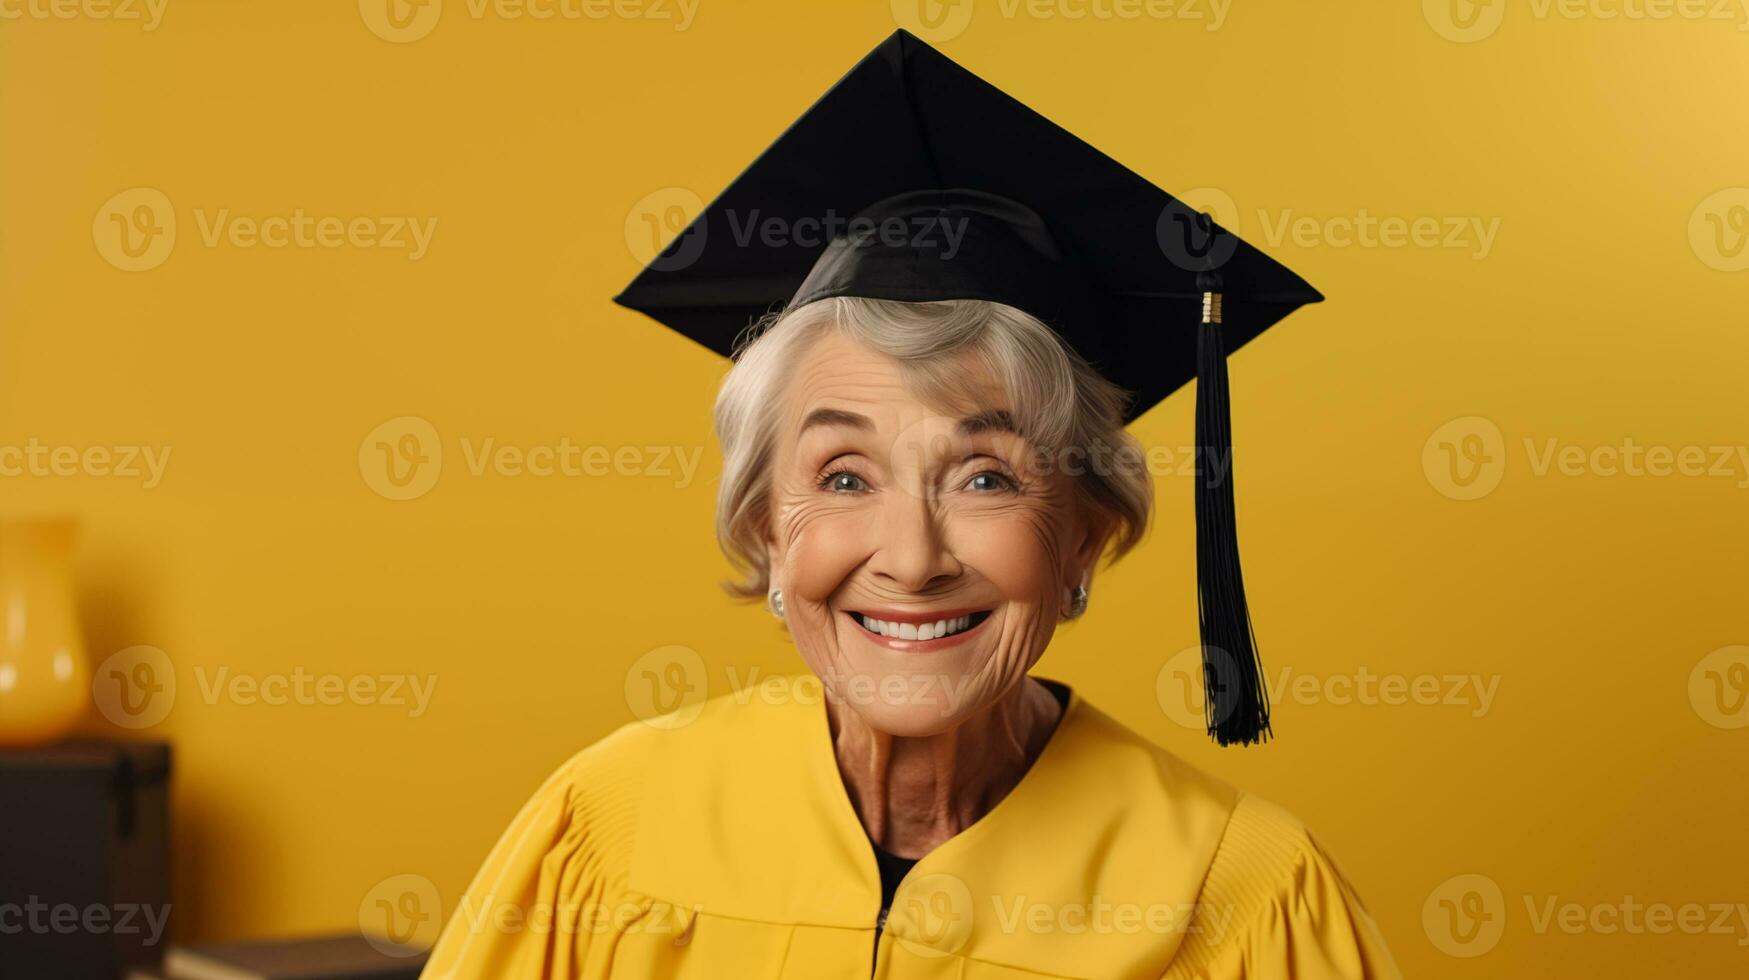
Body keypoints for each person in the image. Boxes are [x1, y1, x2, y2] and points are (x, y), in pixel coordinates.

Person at [422, 30, 1401, 979]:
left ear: (1085, 538)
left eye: (987, 477)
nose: (911, 555)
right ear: (766, 527)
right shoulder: (611, 823)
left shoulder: (1239, 899)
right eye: (844, 475)